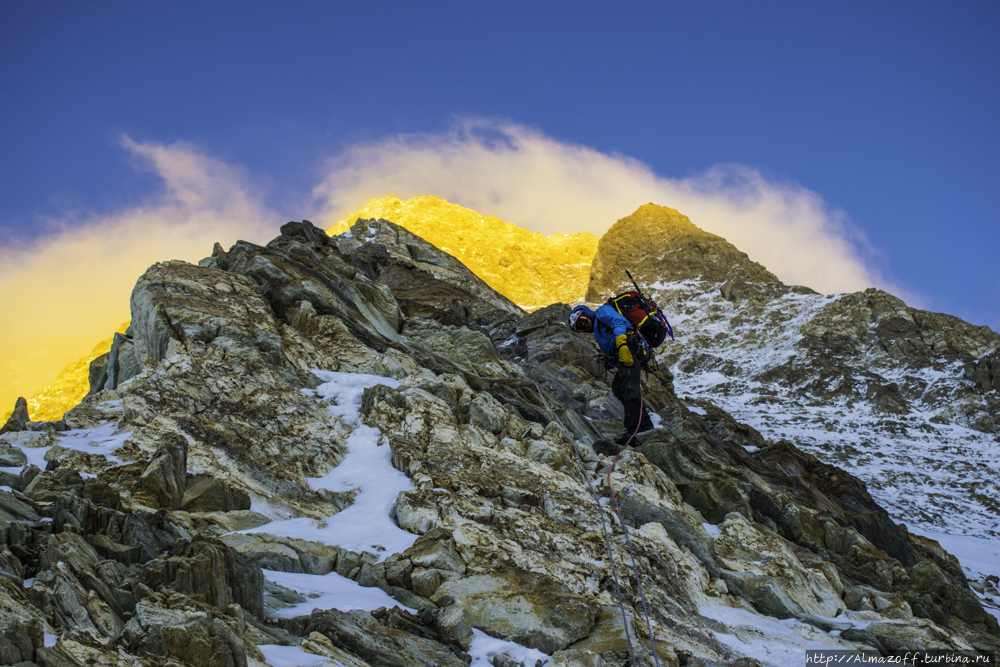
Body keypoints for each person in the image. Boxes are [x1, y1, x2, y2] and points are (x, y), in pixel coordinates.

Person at [569, 303, 654, 447]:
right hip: (625, 351)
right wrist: (610, 360)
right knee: (618, 388)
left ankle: (635, 432)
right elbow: (612, 345)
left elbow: (617, 321)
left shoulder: (602, 312)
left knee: (629, 389)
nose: (584, 326)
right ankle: (645, 425)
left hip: (630, 347)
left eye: (582, 320)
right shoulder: (598, 329)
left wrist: (622, 345)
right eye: (580, 327)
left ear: (586, 313)